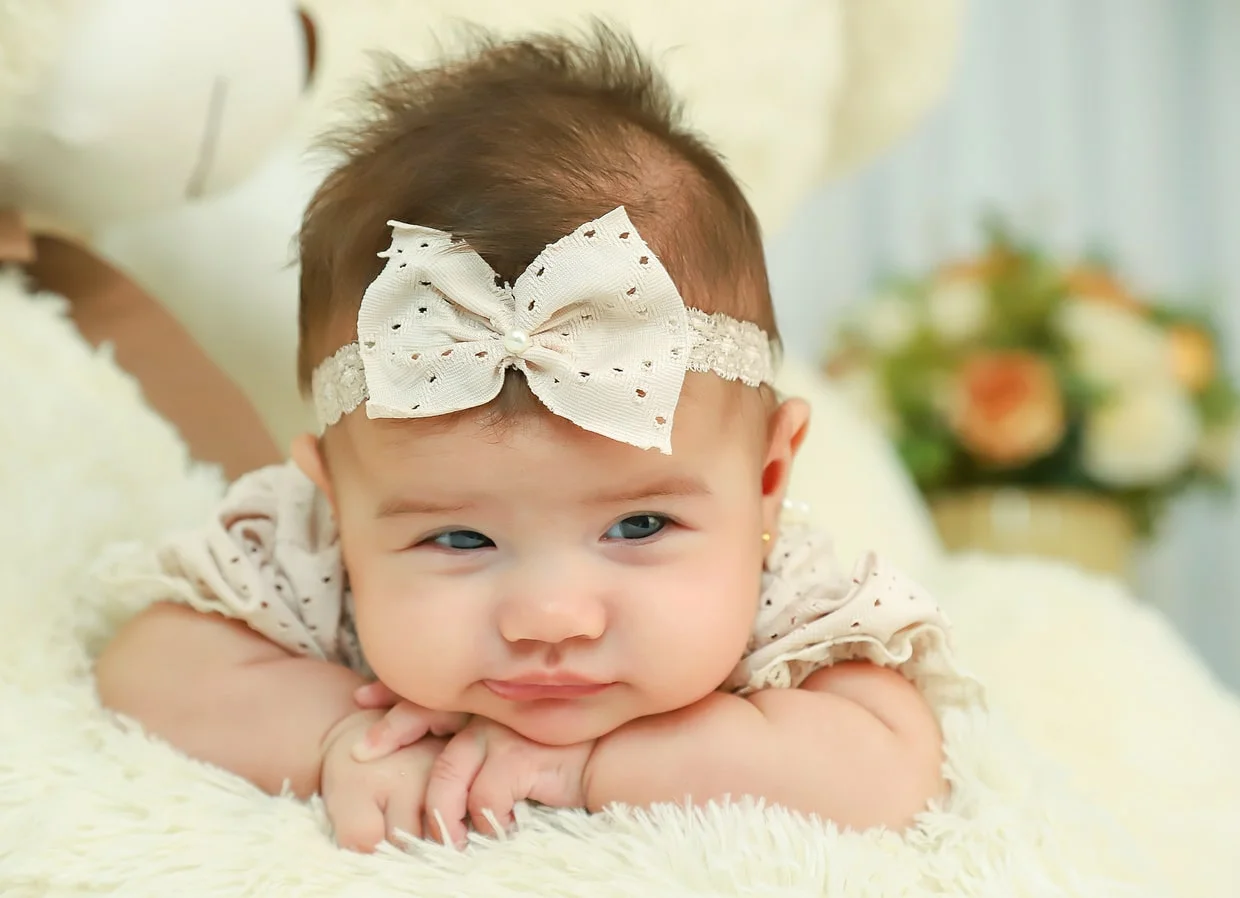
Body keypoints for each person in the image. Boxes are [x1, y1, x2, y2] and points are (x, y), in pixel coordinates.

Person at [95, 25, 979, 853]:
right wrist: (338, 733)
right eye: (459, 539)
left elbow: (888, 767)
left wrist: (591, 768)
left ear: (766, 483)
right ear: (335, 503)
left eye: (638, 527)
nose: (551, 618)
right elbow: (147, 669)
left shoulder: (780, 597)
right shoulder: (315, 560)